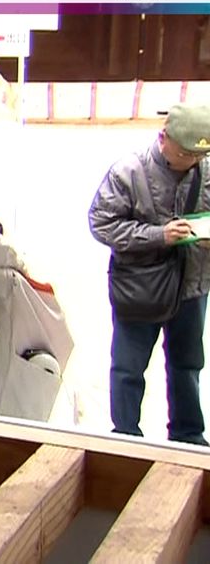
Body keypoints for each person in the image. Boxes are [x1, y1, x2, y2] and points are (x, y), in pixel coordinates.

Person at [88, 103, 210, 446]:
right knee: (128, 368)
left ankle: (189, 436)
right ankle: (126, 436)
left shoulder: (207, 168)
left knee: (187, 366)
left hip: (193, 284)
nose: (193, 161)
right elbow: (102, 223)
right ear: (164, 138)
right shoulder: (129, 171)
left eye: (199, 155)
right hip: (140, 286)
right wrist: (159, 236)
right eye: (186, 153)